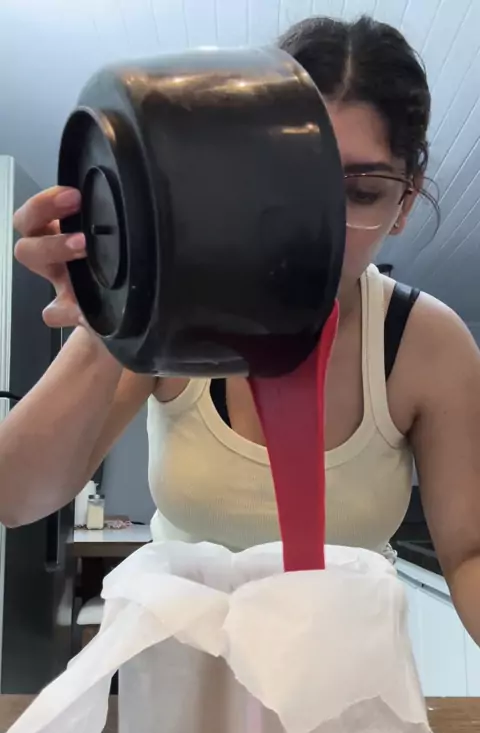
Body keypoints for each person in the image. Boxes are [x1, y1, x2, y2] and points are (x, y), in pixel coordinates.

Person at [3, 16, 480, 642]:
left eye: (361, 192)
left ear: (405, 202)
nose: (316, 224)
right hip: (182, 677)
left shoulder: (427, 344)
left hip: (341, 677)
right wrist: (107, 313)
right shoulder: (170, 311)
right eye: (288, 181)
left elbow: (469, 553)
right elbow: (16, 496)